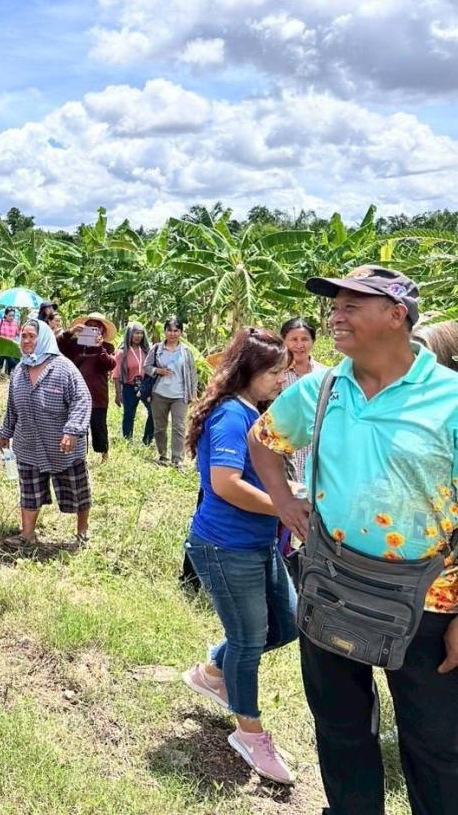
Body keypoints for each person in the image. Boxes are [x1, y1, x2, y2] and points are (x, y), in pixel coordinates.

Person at [249, 266, 458, 815]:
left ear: (397, 316)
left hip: (430, 602)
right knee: (341, 731)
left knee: (436, 746)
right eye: (333, 305)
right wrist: (285, 502)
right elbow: (263, 440)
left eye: (352, 305)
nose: (335, 316)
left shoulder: (450, 399)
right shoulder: (321, 388)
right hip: (331, 584)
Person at [181, 327, 297, 785]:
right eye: (273, 372)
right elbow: (226, 485)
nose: (280, 381)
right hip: (225, 546)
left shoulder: (253, 412)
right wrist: (286, 507)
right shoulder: (231, 415)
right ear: (249, 372)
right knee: (248, 640)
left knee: (286, 623)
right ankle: (249, 732)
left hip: (257, 543)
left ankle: (213, 670)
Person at [0, 321, 93, 550]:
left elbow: (82, 400)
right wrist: (5, 433)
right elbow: (12, 406)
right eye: (24, 336)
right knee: (29, 491)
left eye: (32, 336)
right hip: (28, 444)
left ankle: (82, 532)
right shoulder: (19, 371)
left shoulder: (64, 368)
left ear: (45, 339)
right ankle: (27, 534)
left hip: (64, 447)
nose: (27, 341)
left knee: (77, 491)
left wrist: (72, 431)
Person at [275, 317, 327, 559]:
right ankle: (283, 557)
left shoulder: (326, 376)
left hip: (316, 453)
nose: (299, 344)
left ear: (313, 342)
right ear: (284, 341)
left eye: (304, 339)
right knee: (284, 509)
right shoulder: (278, 375)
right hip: (284, 452)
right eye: (293, 339)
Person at [60, 313, 118, 462]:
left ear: (102, 331)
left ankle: (104, 454)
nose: (93, 328)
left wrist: (100, 348)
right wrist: (70, 332)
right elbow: (56, 346)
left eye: (97, 326)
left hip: (98, 393)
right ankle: (78, 456)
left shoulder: (107, 347)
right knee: (76, 424)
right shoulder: (74, 345)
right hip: (76, 392)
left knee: (99, 425)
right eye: (90, 325)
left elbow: (110, 364)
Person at [146, 318, 198, 470]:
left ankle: (177, 459)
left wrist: (193, 393)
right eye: (170, 330)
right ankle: (162, 455)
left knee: (179, 427)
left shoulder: (186, 352)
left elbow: (192, 374)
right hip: (159, 393)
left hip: (180, 395)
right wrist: (158, 370)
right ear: (165, 332)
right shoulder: (156, 349)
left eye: (176, 330)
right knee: (160, 427)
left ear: (181, 332)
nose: (173, 334)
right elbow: (146, 367)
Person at [113, 322, 154, 445]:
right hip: (129, 386)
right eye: (136, 333)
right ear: (130, 334)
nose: (138, 336)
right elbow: (116, 375)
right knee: (129, 415)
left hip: (145, 386)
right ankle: (127, 441)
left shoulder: (147, 350)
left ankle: (147, 440)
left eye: (141, 333)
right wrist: (118, 393)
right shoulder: (122, 353)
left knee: (153, 412)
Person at [0, 308, 20, 375]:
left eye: (13, 315)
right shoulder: (0, 322)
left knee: (10, 361)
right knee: (2, 358)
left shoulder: (15, 324)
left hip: (11, 346)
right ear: (5, 315)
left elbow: (19, 334)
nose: (12, 317)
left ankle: (8, 374)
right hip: (2, 345)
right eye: (10, 315)